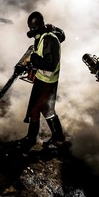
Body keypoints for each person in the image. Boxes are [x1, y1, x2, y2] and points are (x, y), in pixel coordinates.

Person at [17, 11, 66, 150]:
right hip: (42, 78)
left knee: (37, 108)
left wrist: (33, 59)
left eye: (32, 28)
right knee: (45, 109)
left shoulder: (49, 39)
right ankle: (56, 137)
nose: (31, 32)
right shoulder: (42, 36)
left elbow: (50, 65)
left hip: (47, 81)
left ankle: (33, 139)